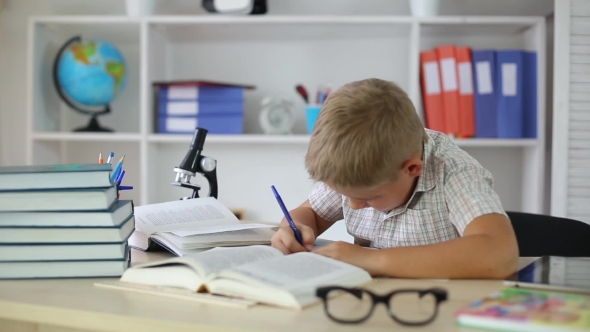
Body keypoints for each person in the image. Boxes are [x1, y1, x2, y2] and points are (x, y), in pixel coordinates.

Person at [270, 78, 519, 279]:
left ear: (412, 168)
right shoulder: (354, 170)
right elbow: (310, 212)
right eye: (346, 195)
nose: (353, 206)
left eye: (368, 197)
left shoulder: (453, 172)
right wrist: (294, 228)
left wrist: (370, 259)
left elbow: (500, 254)